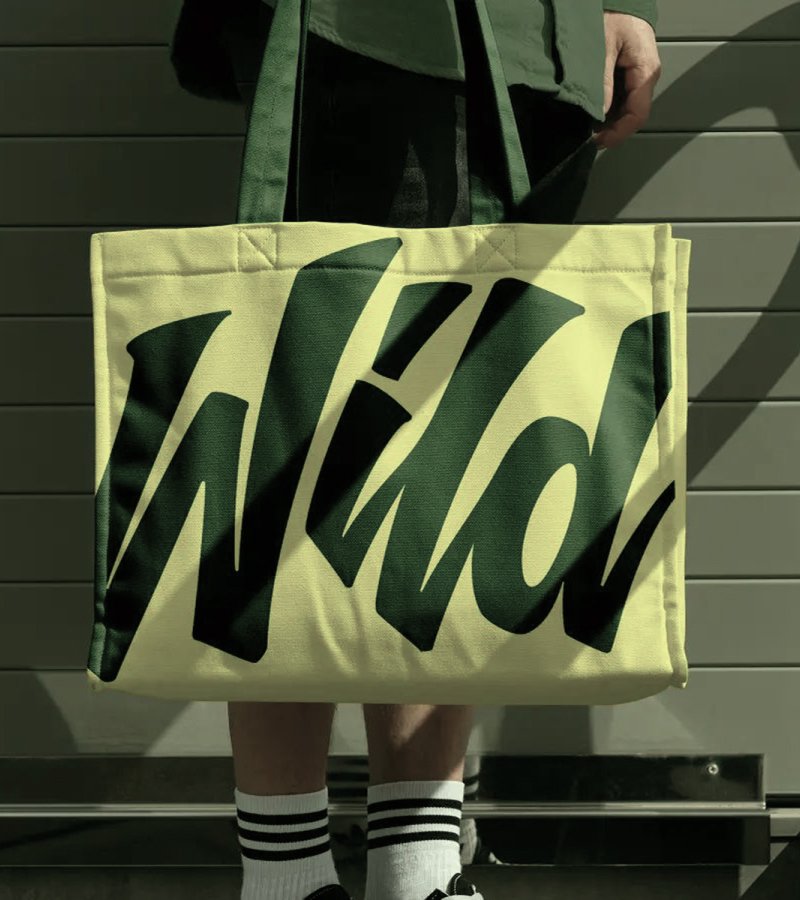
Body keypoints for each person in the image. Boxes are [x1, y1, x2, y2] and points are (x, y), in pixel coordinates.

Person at [169, 1, 662, 898]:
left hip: (538, 49)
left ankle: (407, 869)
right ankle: (305, 875)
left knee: (445, 433)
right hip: (374, 31)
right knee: (309, 415)